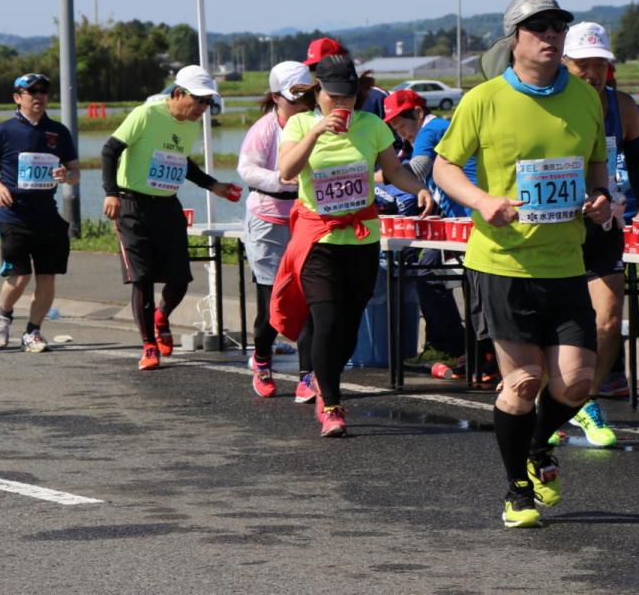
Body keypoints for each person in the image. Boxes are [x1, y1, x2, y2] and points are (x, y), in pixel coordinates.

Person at [433, 0, 613, 529]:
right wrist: (483, 201)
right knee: (524, 383)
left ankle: (538, 447)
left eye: (558, 26)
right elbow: (444, 167)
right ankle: (516, 492)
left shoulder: (585, 97)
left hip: (564, 263)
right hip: (503, 263)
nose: (551, 36)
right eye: (538, 28)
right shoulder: (483, 100)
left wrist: (601, 196)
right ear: (515, 37)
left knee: (578, 384)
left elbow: (598, 162)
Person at [271, 51, 433, 438]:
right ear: (318, 92)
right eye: (333, 97)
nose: (341, 104)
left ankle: (326, 376)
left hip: (361, 237)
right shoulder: (298, 125)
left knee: (347, 326)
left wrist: (422, 189)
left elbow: (394, 172)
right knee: (326, 320)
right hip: (319, 238)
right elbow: (286, 172)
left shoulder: (372, 125)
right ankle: (330, 403)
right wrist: (315, 132)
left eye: (348, 97)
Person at [101, 65, 241, 370]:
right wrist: (110, 192)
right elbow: (110, 150)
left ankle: (161, 316)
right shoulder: (147, 114)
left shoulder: (190, 123)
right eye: (199, 100)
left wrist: (213, 185)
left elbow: (182, 163)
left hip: (166, 204)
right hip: (130, 204)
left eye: (208, 103)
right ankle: (149, 345)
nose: (204, 108)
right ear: (178, 93)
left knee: (179, 277)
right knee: (143, 278)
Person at [560, 22, 639, 447]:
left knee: (609, 317)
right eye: (583, 64)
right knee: (553, 323)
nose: (593, 73)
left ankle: (585, 400)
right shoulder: (552, 104)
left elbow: (637, 159)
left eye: (600, 64)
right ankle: (554, 398)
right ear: (564, 62)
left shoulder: (623, 106)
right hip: (556, 225)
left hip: (604, 221)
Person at [0, 73, 79, 353]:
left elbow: (75, 171)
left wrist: (66, 175)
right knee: (20, 277)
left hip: (47, 215)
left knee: (47, 276)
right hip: (14, 214)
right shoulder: (4, 130)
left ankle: (33, 331)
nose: (39, 96)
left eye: (43, 91)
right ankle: (4, 315)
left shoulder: (58, 131)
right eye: (31, 91)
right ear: (17, 97)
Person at [239, 61, 317, 399]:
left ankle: (307, 375)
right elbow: (246, 170)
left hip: (305, 217)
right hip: (268, 218)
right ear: (275, 97)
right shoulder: (264, 128)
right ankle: (262, 359)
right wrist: (282, 179)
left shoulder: (315, 124)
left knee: (310, 298)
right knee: (273, 301)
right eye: (293, 98)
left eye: (306, 97)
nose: (301, 105)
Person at [383, 88, 476, 361]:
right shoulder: (434, 129)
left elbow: (418, 168)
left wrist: (376, 176)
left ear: (419, 113)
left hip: (471, 219)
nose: (402, 134)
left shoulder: (431, 129)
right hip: (457, 220)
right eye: (395, 129)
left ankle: (469, 350)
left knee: (452, 280)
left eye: (402, 125)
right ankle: (455, 346)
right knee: (428, 275)